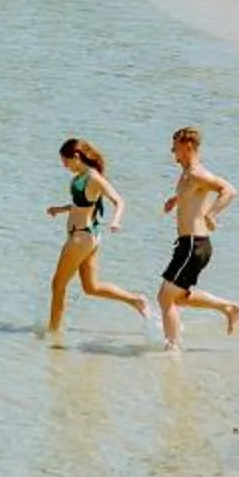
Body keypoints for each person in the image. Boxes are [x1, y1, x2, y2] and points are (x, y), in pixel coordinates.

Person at [45, 138, 150, 342]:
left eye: (65, 160)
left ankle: (53, 333)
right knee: (91, 287)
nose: (64, 165)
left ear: (76, 156)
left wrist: (116, 221)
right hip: (87, 236)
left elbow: (119, 201)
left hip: (81, 237)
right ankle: (136, 300)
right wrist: (60, 209)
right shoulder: (80, 176)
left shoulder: (93, 177)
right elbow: (82, 205)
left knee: (58, 285)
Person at [153, 126, 239, 351]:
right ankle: (228, 307)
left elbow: (229, 190)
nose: (172, 152)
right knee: (177, 296)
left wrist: (212, 214)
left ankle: (172, 349)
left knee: (165, 298)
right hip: (190, 245)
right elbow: (194, 193)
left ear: (187, 147)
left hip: (193, 245)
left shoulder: (196, 173)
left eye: (175, 148)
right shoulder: (188, 173)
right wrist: (176, 199)